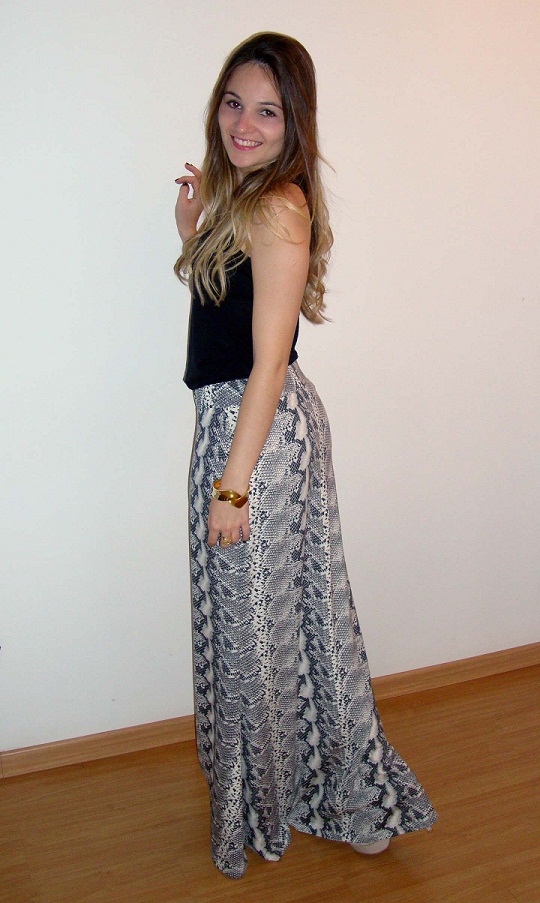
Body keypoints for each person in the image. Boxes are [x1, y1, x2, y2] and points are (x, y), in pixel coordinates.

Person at [174, 32, 437, 880]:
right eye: (234, 103)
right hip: (241, 429)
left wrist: (233, 488)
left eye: (268, 112)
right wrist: (193, 233)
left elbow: (266, 363)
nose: (244, 125)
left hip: (256, 441)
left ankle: (347, 800)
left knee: (268, 630)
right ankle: (298, 793)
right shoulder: (248, 200)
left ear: (295, 125)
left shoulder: (278, 206)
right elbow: (229, 316)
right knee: (272, 624)